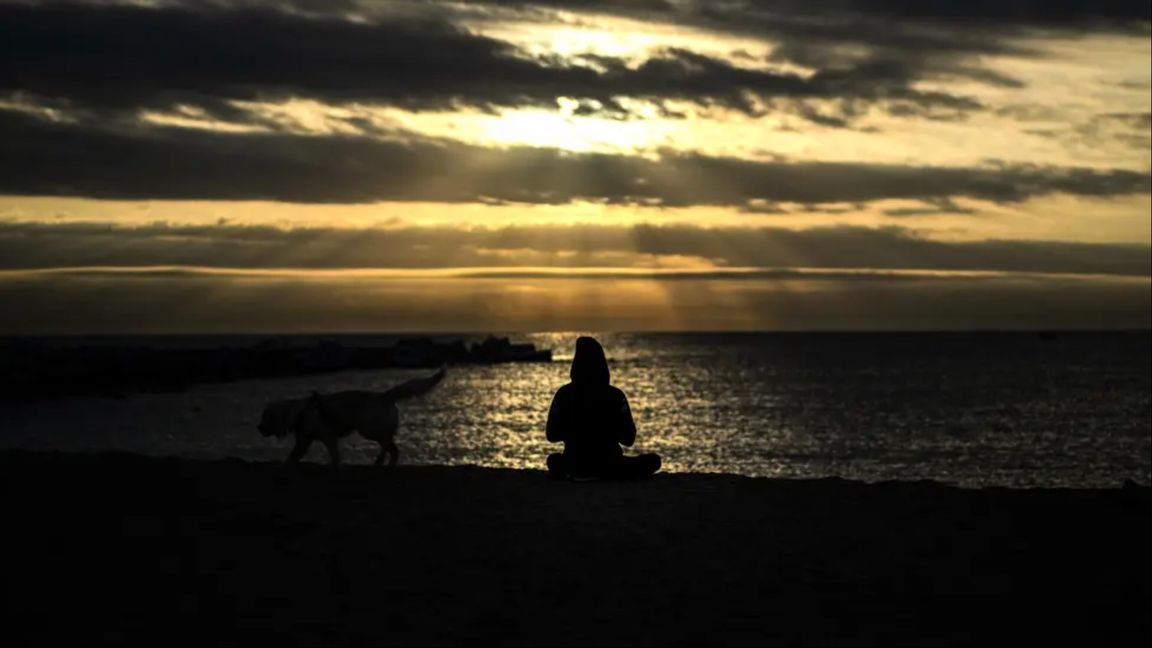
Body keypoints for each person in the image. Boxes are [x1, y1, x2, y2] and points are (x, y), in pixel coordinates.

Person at [545, 336, 661, 480]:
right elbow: (628, 439)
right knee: (654, 460)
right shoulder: (616, 396)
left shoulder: (563, 394)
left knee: (553, 460)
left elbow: (552, 435)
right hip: (611, 464)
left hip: (575, 464)